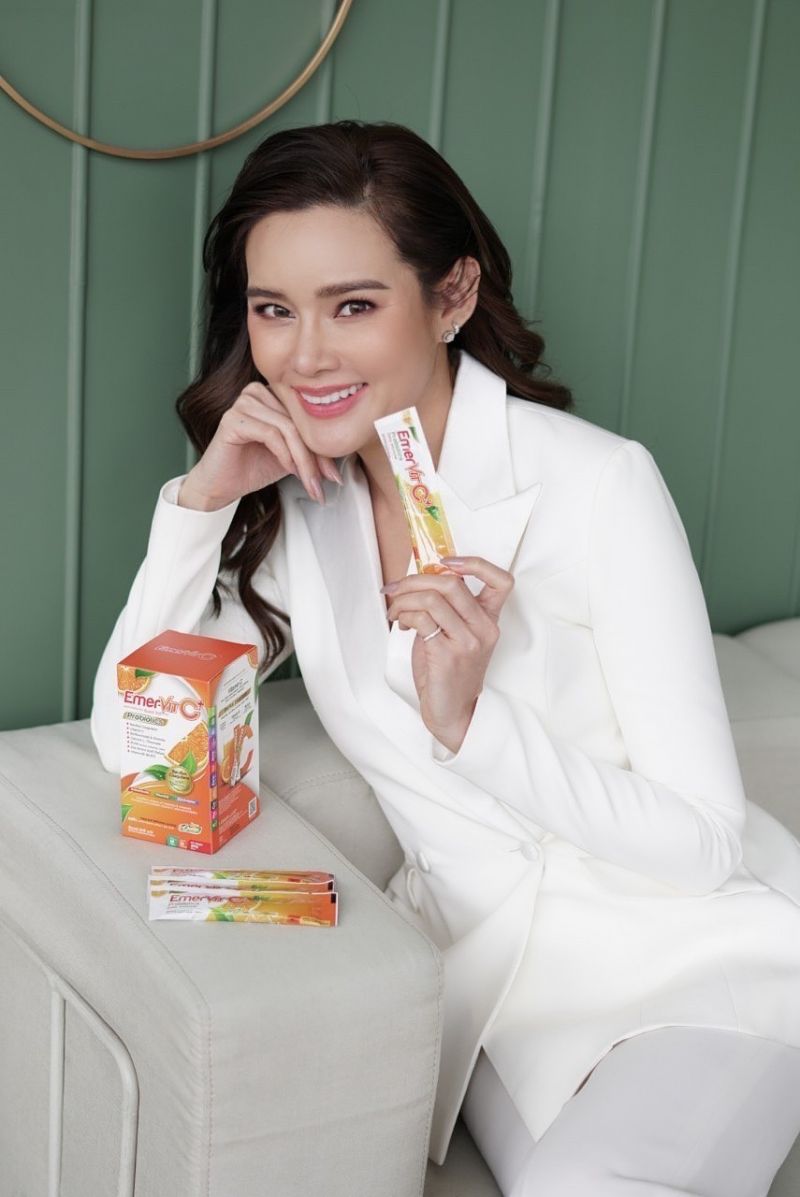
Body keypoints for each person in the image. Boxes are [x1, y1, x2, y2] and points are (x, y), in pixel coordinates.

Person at [90, 120, 800, 1196]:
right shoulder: (300, 507)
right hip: (494, 1001)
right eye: (273, 310)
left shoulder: (599, 486)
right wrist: (198, 507)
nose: (305, 356)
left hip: (694, 968)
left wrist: (472, 727)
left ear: (453, 294)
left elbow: (704, 846)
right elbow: (136, 746)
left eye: (353, 306)